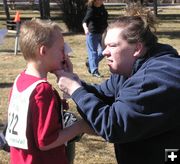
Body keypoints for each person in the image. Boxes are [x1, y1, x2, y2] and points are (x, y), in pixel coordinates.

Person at [56, 5, 180, 164]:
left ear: (137, 48)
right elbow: (102, 94)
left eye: (112, 46)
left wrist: (75, 90)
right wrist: (74, 81)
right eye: (105, 45)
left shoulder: (155, 79)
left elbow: (113, 125)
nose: (104, 52)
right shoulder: (130, 71)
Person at [5, 18, 92, 164]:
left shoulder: (20, 80)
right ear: (43, 51)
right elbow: (46, 141)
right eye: (61, 49)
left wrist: (66, 80)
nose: (65, 55)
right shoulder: (42, 90)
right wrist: (81, 126)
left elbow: (48, 116)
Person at [82, 0, 108, 77]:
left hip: (102, 32)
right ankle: (94, 71)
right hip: (92, 33)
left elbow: (104, 20)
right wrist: (86, 29)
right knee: (93, 52)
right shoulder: (91, 9)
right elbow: (84, 21)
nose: (102, 1)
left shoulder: (102, 7)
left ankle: (90, 62)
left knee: (105, 50)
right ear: (95, 1)